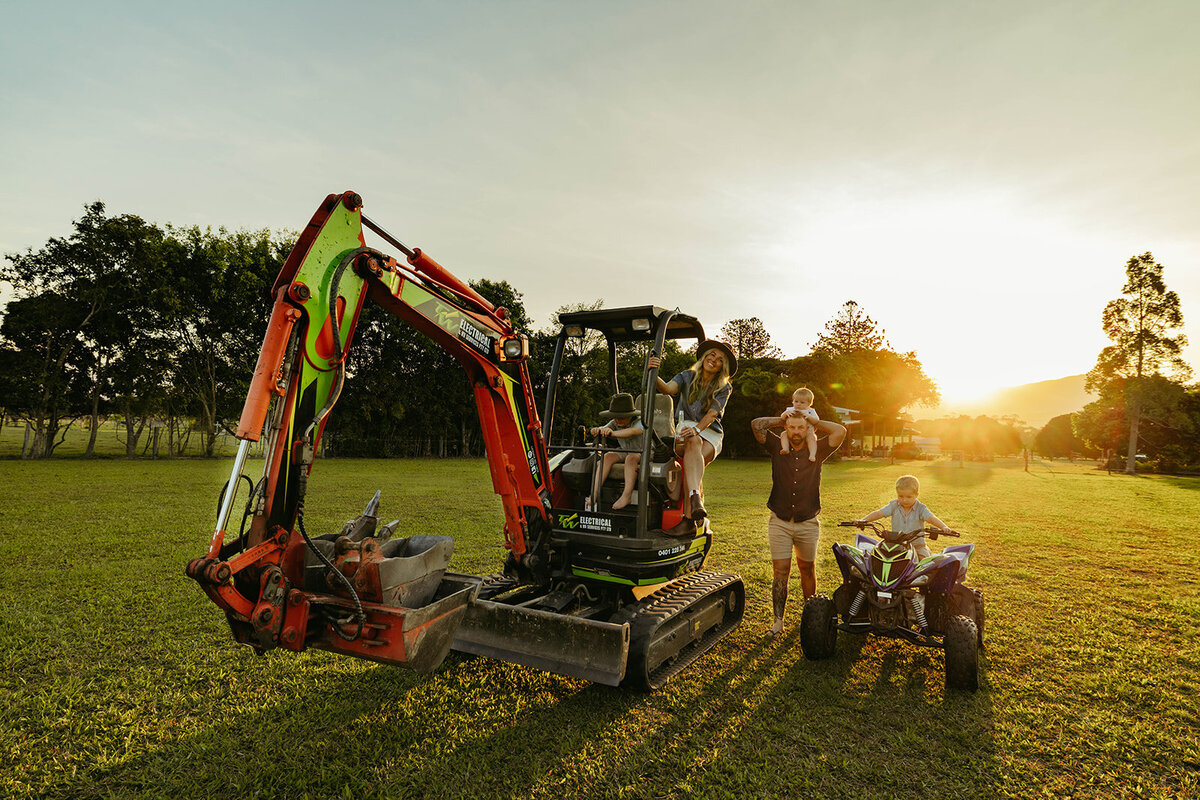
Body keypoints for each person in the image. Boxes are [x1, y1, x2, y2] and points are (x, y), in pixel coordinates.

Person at [751, 403, 847, 636]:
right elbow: (756, 425)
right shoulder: (777, 446)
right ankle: (778, 621)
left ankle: (809, 615)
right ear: (787, 427)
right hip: (780, 521)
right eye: (792, 427)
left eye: (801, 427)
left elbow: (840, 432)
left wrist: (815, 421)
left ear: (807, 429)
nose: (795, 431)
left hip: (807, 523)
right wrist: (780, 418)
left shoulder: (819, 449)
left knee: (807, 568)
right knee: (780, 571)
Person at [647, 340, 737, 537]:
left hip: (710, 432)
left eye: (720, 359)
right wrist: (653, 372)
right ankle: (694, 503)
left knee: (692, 459)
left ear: (723, 367)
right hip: (685, 430)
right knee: (692, 446)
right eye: (712, 354)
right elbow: (668, 389)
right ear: (705, 356)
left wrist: (697, 429)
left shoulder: (724, 388)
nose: (714, 360)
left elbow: (713, 414)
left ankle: (690, 517)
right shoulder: (686, 376)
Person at [857, 474, 951, 559]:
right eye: (901, 496)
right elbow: (879, 513)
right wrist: (863, 520)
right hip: (895, 545)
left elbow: (931, 518)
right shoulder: (894, 505)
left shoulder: (921, 508)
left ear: (916, 495)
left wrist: (944, 527)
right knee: (878, 558)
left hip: (917, 546)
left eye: (909, 497)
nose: (904, 500)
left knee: (923, 561)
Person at [589, 393, 645, 511]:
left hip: (644, 452)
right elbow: (606, 428)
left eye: (621, 417)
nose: (618, 420)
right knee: (608, 456)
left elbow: (634, 431)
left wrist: (612, 433)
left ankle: (626, 495)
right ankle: (594, 494)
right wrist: (597, 430)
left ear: (630, 415)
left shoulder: (640, 421)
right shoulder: (615, 422)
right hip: (626, 450)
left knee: (631, 458)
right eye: (615, 416)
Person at [778, 387, 819, 460]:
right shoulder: (790, 410)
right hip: (792, 432)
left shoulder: (810, 411)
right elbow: (782, 417)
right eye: (796, 401)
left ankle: (812, 454)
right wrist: (786, 413)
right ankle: (785, 448)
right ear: (793, 401)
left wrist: (809, 417)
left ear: (809, 404)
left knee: (812, 438)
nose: (798, 404)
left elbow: (816, 421)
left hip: (808, 432)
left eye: (802, 402)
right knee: (783, 434)